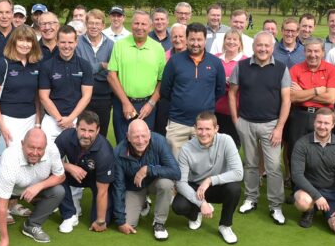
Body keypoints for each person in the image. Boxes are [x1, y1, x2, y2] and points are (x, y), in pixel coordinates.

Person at [229, 32, 291, 225]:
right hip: (246, 122)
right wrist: (235, 120)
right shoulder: (241, 66)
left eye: (267, 46)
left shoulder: (281, 68)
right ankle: (251, 198)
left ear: (272, 48)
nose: (263, 49)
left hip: (271, 125)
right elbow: (232, 94)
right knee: (250, 163)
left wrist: (280, 127)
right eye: (259, 45)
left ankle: (275, 205)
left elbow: (286, 99)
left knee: (273, 167)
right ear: (253, 46)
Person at [0, 128, 66, 246]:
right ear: (22, 143)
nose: (35, 153)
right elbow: (2, 206)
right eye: (31, 147)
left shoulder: (52, 149)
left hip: (31, 186)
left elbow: (61, 176)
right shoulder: (10, 158)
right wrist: (4, 239)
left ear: (45, 147)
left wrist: (39, 186)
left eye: (40, 149)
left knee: (58, 191)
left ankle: (32, 225)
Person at [172, 112, 243, 244]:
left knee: (234, 188)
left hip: (216, 186)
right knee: (178, 206)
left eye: (208, 129)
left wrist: (210, 180)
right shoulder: (186, 149)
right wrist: (201, 203)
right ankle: (196, 212)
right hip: (195, 187)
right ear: (195, 128)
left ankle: (225, 226)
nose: (203, 133)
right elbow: (181, 183)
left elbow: (238, 173)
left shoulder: (226, 140)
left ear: (216, 129)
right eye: (200, 129)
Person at [160, 22, 225, 156]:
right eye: (192, 39)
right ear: (187, 40)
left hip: (204, 124)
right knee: (175, 163)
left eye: (199, 40)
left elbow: (220, 90)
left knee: (202, 164)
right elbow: (165, 89)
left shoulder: (215, 63)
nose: (196, 43)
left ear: (205, 40)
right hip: (178, 122)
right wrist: (181, 102)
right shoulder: (174, 61)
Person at [111, 119, 181, 241]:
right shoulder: (118, 152)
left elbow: (176, 172)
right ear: (128, 137)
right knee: (129, 223)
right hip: (134, 187)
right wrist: (121, 221)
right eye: (135, 137)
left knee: (166, 184)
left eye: (144, 136)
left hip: (155, 182)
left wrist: (148, 170)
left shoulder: (159, 141)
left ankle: (159, 223)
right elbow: (118, 187)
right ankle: (143, 204)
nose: (140, 140)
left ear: (149, 134)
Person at [287, 38, 335, 185]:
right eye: (309, 51)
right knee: (296, 151)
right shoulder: (296, 69)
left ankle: (320, 185)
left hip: (323, 115)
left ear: (323, 52)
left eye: (317, 51)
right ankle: (297, 187)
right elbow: (292, 97)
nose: (313, 54)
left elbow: (331, 98)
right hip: (299, 115)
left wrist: (303, 92)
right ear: (304, 52)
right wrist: (316, 90)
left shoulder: (331, 69)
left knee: (321, 152)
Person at [107, 10, 166, 143]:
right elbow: (111, 76)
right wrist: (125, 102)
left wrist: (151, 103)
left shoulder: (158, 48)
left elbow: (162, 80)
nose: (140, 27)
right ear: (131, 25)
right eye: (136, 23)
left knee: (144, 144)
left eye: (144, 24)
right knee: (123, 144)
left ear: (150, 27)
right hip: (123, 103)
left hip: (147, 106)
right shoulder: (119, 45)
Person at [291, 108, 335, 235]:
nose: (322, 126)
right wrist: (317, 196)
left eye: (326, 123)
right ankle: (309, 211)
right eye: (319, 122)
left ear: (333, 125)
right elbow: (297, 175)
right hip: (308, 190)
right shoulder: (302, 144)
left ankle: (326, 211)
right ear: (314, 122)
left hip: (332, 191)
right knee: (303, 202)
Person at [55, 111, 114, 234]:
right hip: (73, 174)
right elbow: (50, 161)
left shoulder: (105, 152)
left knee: (103, 220)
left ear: (98, 131)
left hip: (97, 180)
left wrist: (100, 221)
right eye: (83, 130)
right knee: (55, 174)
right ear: (76, 127)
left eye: (91, 131)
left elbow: (103, 191)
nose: (86, 135)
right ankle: (69, 215)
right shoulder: (65, 137)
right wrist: (68, 166)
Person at [0, 25, 43, 147]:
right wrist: (2, 126)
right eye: (21, 40)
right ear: (13, 42)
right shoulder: (2, 63)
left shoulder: (36, 65)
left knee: (29, 160)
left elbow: (37, 98)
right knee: (8, 161)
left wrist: (37, 124)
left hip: (30, 120)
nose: (25, 44)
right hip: (7, 120)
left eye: (28, 41)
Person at [39, 25, 93, 142]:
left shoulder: (84, 65)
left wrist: (70, 119)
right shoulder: (46, 66)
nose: (67, 46)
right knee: (46, 157)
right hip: (52, 120)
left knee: (77, 158)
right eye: (63, 42)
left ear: (76, 42)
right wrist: (59, 119)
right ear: (57, 42)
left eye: (70, 42)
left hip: (76, 119)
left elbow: (87, 96)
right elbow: (43, 97)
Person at [77, 9, 115, 137]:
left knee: (100, 132)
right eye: (91, 23)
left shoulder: (111, 45)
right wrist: (101, 65)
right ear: (86, 24)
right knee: (82, 132)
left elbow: (112, 71)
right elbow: (79, 69)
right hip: (81, 95)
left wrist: (90, 69)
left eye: (97, 23)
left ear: (103, 25)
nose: (94, 27)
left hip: (104, 96)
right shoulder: (77, 43)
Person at [214, 30, 249, 150]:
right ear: (224, 42)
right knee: (214, 144)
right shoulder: (215, 58)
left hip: (235, 111)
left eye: (235, 39)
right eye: (228, 39)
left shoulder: (246, 61)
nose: (231, 42)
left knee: (232, 146)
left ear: (240, 43)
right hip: (215, 109)